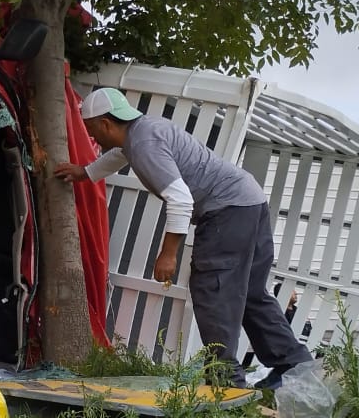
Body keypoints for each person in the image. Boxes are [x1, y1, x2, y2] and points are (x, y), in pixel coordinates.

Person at [54, 87, 312, 389]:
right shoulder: (144, 131)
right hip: (249, 202)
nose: (93, 138)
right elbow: (117, 157)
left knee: (213, 290)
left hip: (226, 210)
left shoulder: (143, 143)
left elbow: (180, 199)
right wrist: (84, 173)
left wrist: (168, 254)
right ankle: (295, 368)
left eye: (92, 130)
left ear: (106, 123)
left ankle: (224, 383)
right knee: (252, 293)